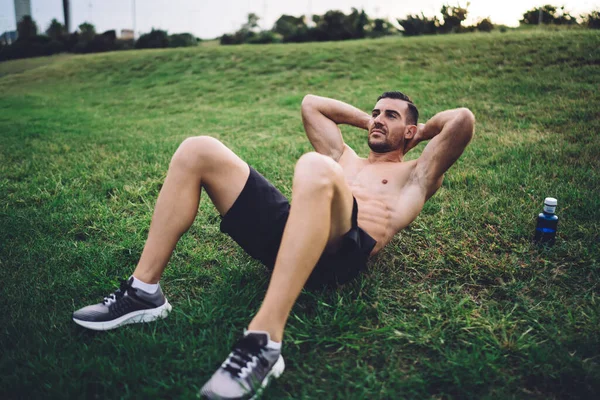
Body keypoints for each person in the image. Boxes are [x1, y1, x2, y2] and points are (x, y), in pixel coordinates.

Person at [72, 91, 475, 399]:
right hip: (294, 231)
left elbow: (461, 120)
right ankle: (144, 292)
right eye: (375, 112)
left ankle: (264, 342)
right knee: (199, 147)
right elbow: (311, 105)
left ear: (410, 131)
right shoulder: (345, 157)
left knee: (315, 166)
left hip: (341, 252)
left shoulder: (416, 174)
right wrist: (372, 122)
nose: (377, 119)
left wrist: (414, 134)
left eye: (390, 115)